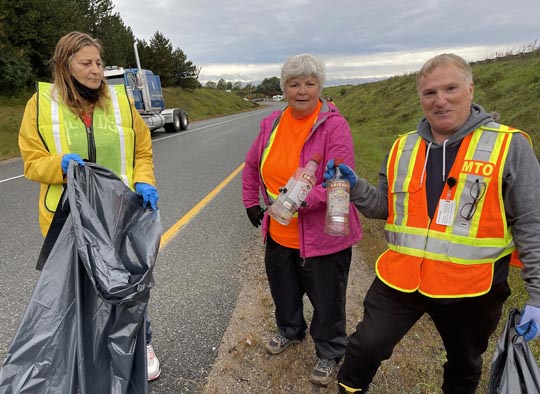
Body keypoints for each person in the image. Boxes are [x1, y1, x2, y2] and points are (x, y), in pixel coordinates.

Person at [323, 53, 540, 393]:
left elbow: (532, 222)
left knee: (463, 365)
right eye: (429, 93)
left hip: (472, 287)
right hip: (401, 279)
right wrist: (355, 188)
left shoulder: (508, 146)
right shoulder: (403, 147)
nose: (440, 100)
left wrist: (538, 296)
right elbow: (385, 207)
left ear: (470, 89)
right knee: (365, 348)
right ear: (420, 98)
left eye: (450, 88)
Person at [18, 31, 162, 382]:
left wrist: (145, 179)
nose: (96, 70)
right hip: (69, 219)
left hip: (118, 214)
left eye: (98, 62)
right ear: (65, 65)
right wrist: (59, 166)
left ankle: (141, 343)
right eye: (86, 63)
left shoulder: (121, 102)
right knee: (78, 290)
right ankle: (80, 354)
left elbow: (141, 149)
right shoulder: (40, 105)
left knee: (127, 283)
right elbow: (31, 162)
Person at [241, 53, 362, 387]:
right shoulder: (273, 123)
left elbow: (341, 182)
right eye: (294, 84)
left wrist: (300, 200)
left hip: (323, 236)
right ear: (284, 88)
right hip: (280, 231)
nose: (302, 90)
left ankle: (330, 350)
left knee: (327, 300)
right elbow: (252, 165)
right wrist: (252, 200)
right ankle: (290, 331)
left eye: (309, 83)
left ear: (320, 87)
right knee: (284, 290)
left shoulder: (333, 125)